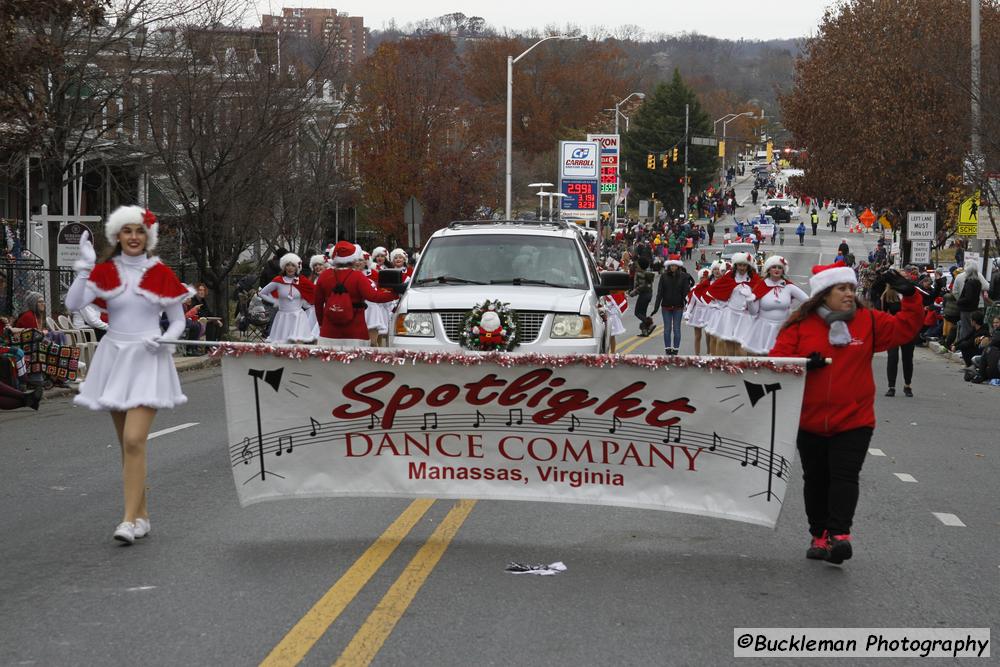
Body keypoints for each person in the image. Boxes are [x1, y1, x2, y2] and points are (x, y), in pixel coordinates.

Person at [771, 263, 923, 564]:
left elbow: (906, 328)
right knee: (816, 480)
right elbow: (777, 361)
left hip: (854, 418)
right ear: (824, 293)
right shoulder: (800, 324)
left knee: (845, 475)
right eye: (842, 288)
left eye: (852, 289)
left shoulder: (868, 321)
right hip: (809, 420)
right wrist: (801, 363)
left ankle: (839, 535)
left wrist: (910, 296)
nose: (849, 294)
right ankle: (819, 535)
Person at [64, 205, 193, 545]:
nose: (134, 237)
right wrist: (86, 268)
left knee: (135, 440)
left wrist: (165, 339)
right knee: (127, 446)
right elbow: (73, 303)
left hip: (148, 358)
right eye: (127, 231)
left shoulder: (159, 271)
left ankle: (126, 519)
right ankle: (142, 516)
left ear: (147, 236)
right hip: (114, 358)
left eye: (139, 231)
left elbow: (177, 319)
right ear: (117, 235)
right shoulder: (108, 270)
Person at [313, 241, 399, 347]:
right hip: (355, 329)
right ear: (353, 258)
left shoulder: (324, 276)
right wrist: (396, 294)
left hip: (329, 328)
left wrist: (321, 324)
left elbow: (318, 304)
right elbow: (374, 296)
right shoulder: (358, 276)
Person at [742, 256, 807, 355]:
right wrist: (749, 301)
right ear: (768, 269)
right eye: (774, 267)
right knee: (763, 360)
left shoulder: (788, 286)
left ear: (783, 271)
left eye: (780, 267)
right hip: (763, 329)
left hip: (782, 328)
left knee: (781, 357)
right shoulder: (761, 286)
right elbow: (753, 312)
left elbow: (808, 301)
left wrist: (797, 315)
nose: (777, 270)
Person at [704, 253, 763, 356]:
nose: (742, 268)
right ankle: (730, 366)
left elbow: (761, 294)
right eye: (739, 265)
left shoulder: (754, 279)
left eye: (744, 265)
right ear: (736, 265)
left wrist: (750, 298)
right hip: (731, 314)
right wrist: (723, 303)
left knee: (740, 344)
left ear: (748, 266)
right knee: (729, 342)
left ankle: (741, 366)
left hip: (745, 316)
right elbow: (714, 290)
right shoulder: (729, 277)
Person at [258, 253, 315, 344]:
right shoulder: (278, 281)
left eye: (293, 265)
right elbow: (262, 293)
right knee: (281, 345)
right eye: (287, 265)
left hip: (298, 318)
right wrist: (275, 301)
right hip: (282, 318)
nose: (290, 268)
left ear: (297, 267)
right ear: (284, 267)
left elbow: (314, 293)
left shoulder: (302, 281)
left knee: (298, 346)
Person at [877, 284, 917, 396]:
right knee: (892, 357)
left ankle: (907, 385)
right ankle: (891, 386)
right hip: (893, 330)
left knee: (908, 358)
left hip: (908, 330)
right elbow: (883, 313)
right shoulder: (888, 295)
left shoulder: (910, 294)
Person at [652, 255, 693, 355]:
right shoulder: (664, 276)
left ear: (678, 266)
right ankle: (667, 349)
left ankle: (675, 350)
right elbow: (660, 292)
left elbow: (685, 293)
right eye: (671, 265)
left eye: (675, 265)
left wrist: (688, 306)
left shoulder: (683, 276)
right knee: (667, 329)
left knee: (676, 329)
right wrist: (656, 307)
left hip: (678, 306)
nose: (673, 267)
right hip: (666, 306)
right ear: (669, 266)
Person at [683, 267, 713, 355]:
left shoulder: (711, 287)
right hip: (698, 313)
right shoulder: (696, 288)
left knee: (708, 334)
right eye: (702, 278)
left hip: (708, 312)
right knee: (697, 335)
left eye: (706, 278)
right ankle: (697, 355)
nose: (704, 280)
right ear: (700, 278)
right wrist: (688, 312)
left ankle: (709, 353)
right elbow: (691, 303)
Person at [629, 257, 656, 337]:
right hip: (649, 294)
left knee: (637, 313)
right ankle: (645, 330)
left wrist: (632, 293)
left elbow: (641, 286)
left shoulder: (640, 274)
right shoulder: (648, 273)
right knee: (643, 313)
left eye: (637, 264)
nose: (636, 265)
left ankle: (649, 323)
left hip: (643, 295)